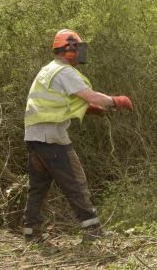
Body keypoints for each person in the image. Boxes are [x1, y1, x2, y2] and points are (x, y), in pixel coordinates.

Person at [22, 29, 133, 244]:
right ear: (69, 48)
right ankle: (93, 231)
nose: (81, 52)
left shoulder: (48, 70)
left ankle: (31, 233)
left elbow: (59, 100)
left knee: (38, 188)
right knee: (76, 182)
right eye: (79, 48)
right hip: (52, 136)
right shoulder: (64, 71)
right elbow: (90, 96)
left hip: (35, 137)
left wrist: (88, 109)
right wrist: (116, 100)